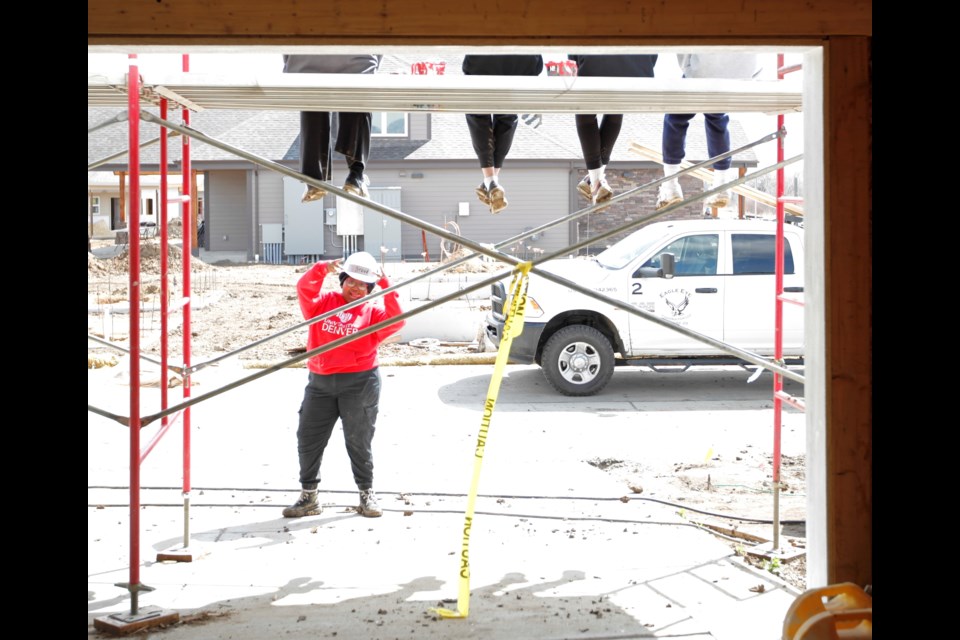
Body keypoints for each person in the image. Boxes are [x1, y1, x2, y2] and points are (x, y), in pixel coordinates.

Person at [283, 251, 405, 519]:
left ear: (369, 288)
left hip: (359, 383)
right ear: (342, 280)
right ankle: (309, 497)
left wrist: (387, 286)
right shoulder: (323, 303)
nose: (356, 288)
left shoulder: (372, 312)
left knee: (358, 441)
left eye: (363, 284)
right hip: (320, 383)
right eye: (351, 281)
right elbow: (304, 289)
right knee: (308, 438)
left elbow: (397, 320)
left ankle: (366, 494)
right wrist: (320, 269)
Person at [656, 53, 762, 210]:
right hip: (744, 72)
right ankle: (721, 183)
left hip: (706, 72)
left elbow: (684, 51)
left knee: (675, 117)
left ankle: (671, 185)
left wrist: (689, 68)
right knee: (717, 115)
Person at [282, 55, 382, 202]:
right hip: (357, 62)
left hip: (303, 65)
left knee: (311, 96)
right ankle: (356, 176)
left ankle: (314, 180)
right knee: (359, 90)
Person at [568, 54, 658, 204]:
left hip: (594, 67)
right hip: (638, 73)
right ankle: (596, 178)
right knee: (616, 104)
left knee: (584, 108)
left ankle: (595, 182)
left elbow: (573, 50)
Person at [462, 54, 545, 214]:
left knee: (477, 113)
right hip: (523, 64)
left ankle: (490, 180)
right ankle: (491, 181)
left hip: (482, 62)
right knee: (507, 116)